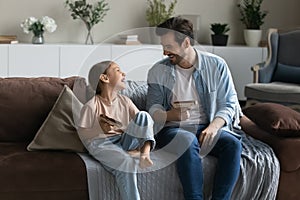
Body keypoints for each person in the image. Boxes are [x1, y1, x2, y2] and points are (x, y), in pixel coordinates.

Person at [146, 16, 242, 200]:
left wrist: (214, 127)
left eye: (169, 46)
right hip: (174, 129)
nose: (164, 52)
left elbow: (229, 104)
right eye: (163, 46)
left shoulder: (216, 65)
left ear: (186, 43)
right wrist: (171, 114)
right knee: (187, 140)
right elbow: (153, 110)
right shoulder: (158, 71)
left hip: (208, 125)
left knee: (232, 144)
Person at [77, 61, 155, 200]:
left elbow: (143, 124)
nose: (124, 73)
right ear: (105, 78)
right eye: (118, 70)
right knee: (125, 162)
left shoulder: (125, 101)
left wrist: (143, 147)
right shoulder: (92, 106)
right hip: (102, 143)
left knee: (144, 115)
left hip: (124, 139)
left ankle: (144, 154)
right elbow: (82, 134)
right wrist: (99, 129)